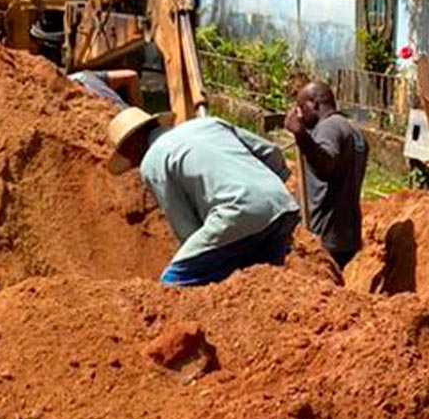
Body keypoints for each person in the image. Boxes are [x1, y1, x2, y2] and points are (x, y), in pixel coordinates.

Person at [105, 109, 301, 286]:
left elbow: (184, 224)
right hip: (282, 204)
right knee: (265, 284)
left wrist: (199, 252)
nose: (132, 162)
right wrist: (268, 193)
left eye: (127, 155)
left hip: (237, 213)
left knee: (172, 283)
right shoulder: (209, 123)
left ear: (132, 144)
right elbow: (271, 152)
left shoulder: (151, 161)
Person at [284, 82, 368, 270]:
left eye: (300, 107)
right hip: (346, 235)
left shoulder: (329, 127)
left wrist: (301, 134)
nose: (299, 114)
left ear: (314, 104)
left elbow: (326, 164)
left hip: (323, 235)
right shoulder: (355, 132)